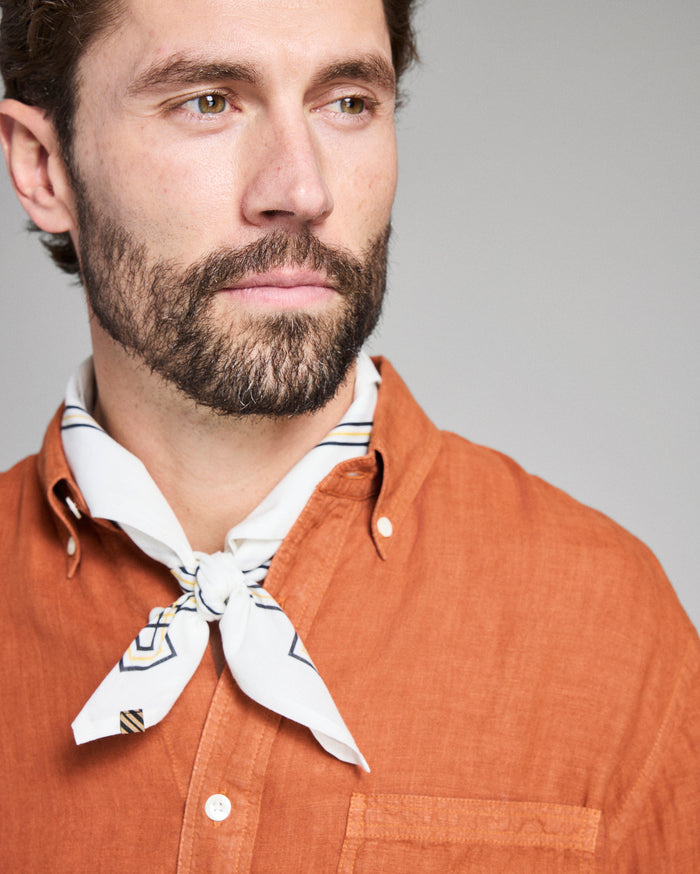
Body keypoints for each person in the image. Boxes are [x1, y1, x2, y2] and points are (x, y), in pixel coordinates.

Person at [0, 0, 698, 870]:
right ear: (43, 167)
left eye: (347, 103)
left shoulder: (612, 627)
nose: (301, 190)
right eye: (208, 101)